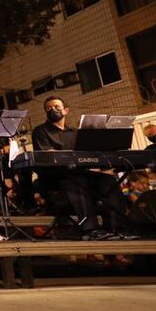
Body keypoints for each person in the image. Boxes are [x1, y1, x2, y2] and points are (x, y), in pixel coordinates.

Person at [30, 96, 129, 239]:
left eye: (57, 107)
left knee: (107, 181)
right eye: (48, 108)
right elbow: (47, 156)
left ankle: (117, 227)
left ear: (66, 110)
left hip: (80, 173)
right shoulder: (40, 131)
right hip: (57, 177)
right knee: (76, 181)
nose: (53, 110)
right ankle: (90, 230)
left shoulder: (75, 132)